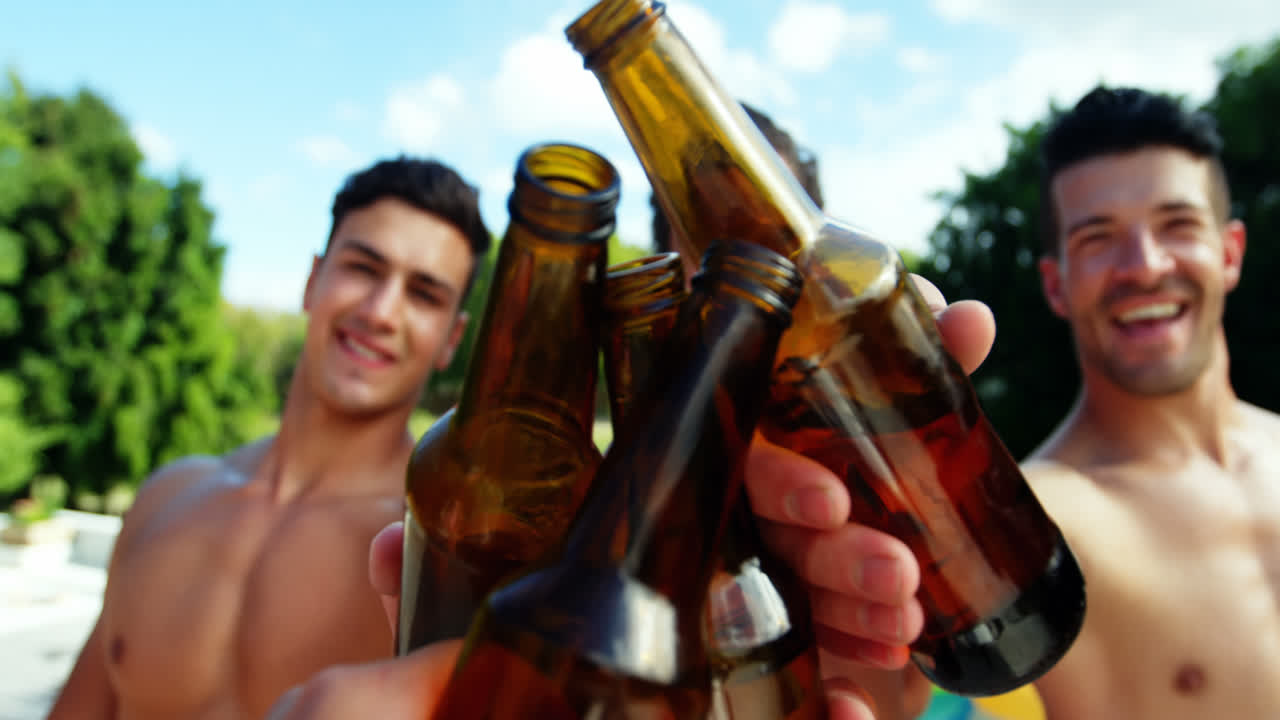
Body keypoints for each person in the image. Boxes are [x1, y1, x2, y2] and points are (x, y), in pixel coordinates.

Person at [46, 157, 492, 720]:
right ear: (313, 280)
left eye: (423, 294)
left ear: (451, 338)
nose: (381, 312)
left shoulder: (440, 558)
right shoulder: (166, 499)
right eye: (363, 268)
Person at [1021, 85, 1280, 718]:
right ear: (1056, 285)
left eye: (1178, 225)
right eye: (1098, 238)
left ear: (1229, 253)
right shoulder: (1032, 534)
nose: (1143, 265)